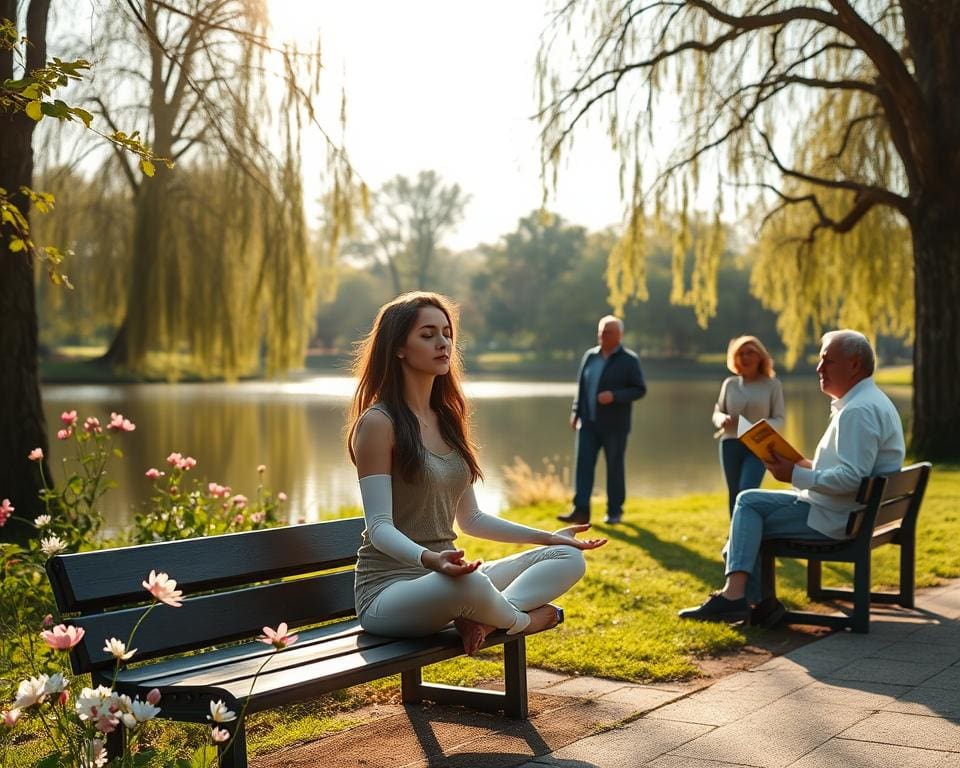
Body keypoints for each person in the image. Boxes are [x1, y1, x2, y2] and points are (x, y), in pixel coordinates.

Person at [348, 292, 607, 655]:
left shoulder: (448, 420)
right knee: (470, 586)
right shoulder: (378, 423)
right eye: (428, 335)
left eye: (447, 333)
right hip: (388, 593)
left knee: (567, 557)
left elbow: (471, 518)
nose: (443, 343)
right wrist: (432, 559)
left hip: (447, 579)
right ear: (398, 348)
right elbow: (379, 528)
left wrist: (549, 538)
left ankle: (485, 619)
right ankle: (521, 621)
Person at [679, 329, 905, 624]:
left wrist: (795, 474)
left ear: (853, 365)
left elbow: (851, 479)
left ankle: (735, 598)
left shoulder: (857, 411)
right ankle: (759, 604)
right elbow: (853, 470)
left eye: (827, 361)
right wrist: (803, 463)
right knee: (745, 523)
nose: (818, 368)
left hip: (835, 518)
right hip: (850, 512)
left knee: (747, 505)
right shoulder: (869, 401)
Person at [558, 315, 646, 526]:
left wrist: (614, 396)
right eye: (600, 332)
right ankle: (581, 511)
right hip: (587, 424)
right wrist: (575, 412)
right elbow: (581, 388)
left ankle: (614, 511)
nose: (601, 336)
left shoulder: (629, 360)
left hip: (615, 426)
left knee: (614, 468)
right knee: (583, 467)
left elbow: (640, 389)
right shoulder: (590, 356)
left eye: (607, 332)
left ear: (619, 335)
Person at [712, 335, 785, 516]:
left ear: (760, 356)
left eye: (750, 353)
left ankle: (747, 531)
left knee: (747, 491)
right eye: (740, 353)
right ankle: (734, 536)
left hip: (758, 446)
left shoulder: (772, 385)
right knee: (734, 492)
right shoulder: (729, 384)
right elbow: (717, 411)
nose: (745, 357)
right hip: (730, 443)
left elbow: (779, 419)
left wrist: (757, 426)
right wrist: (721, 418)